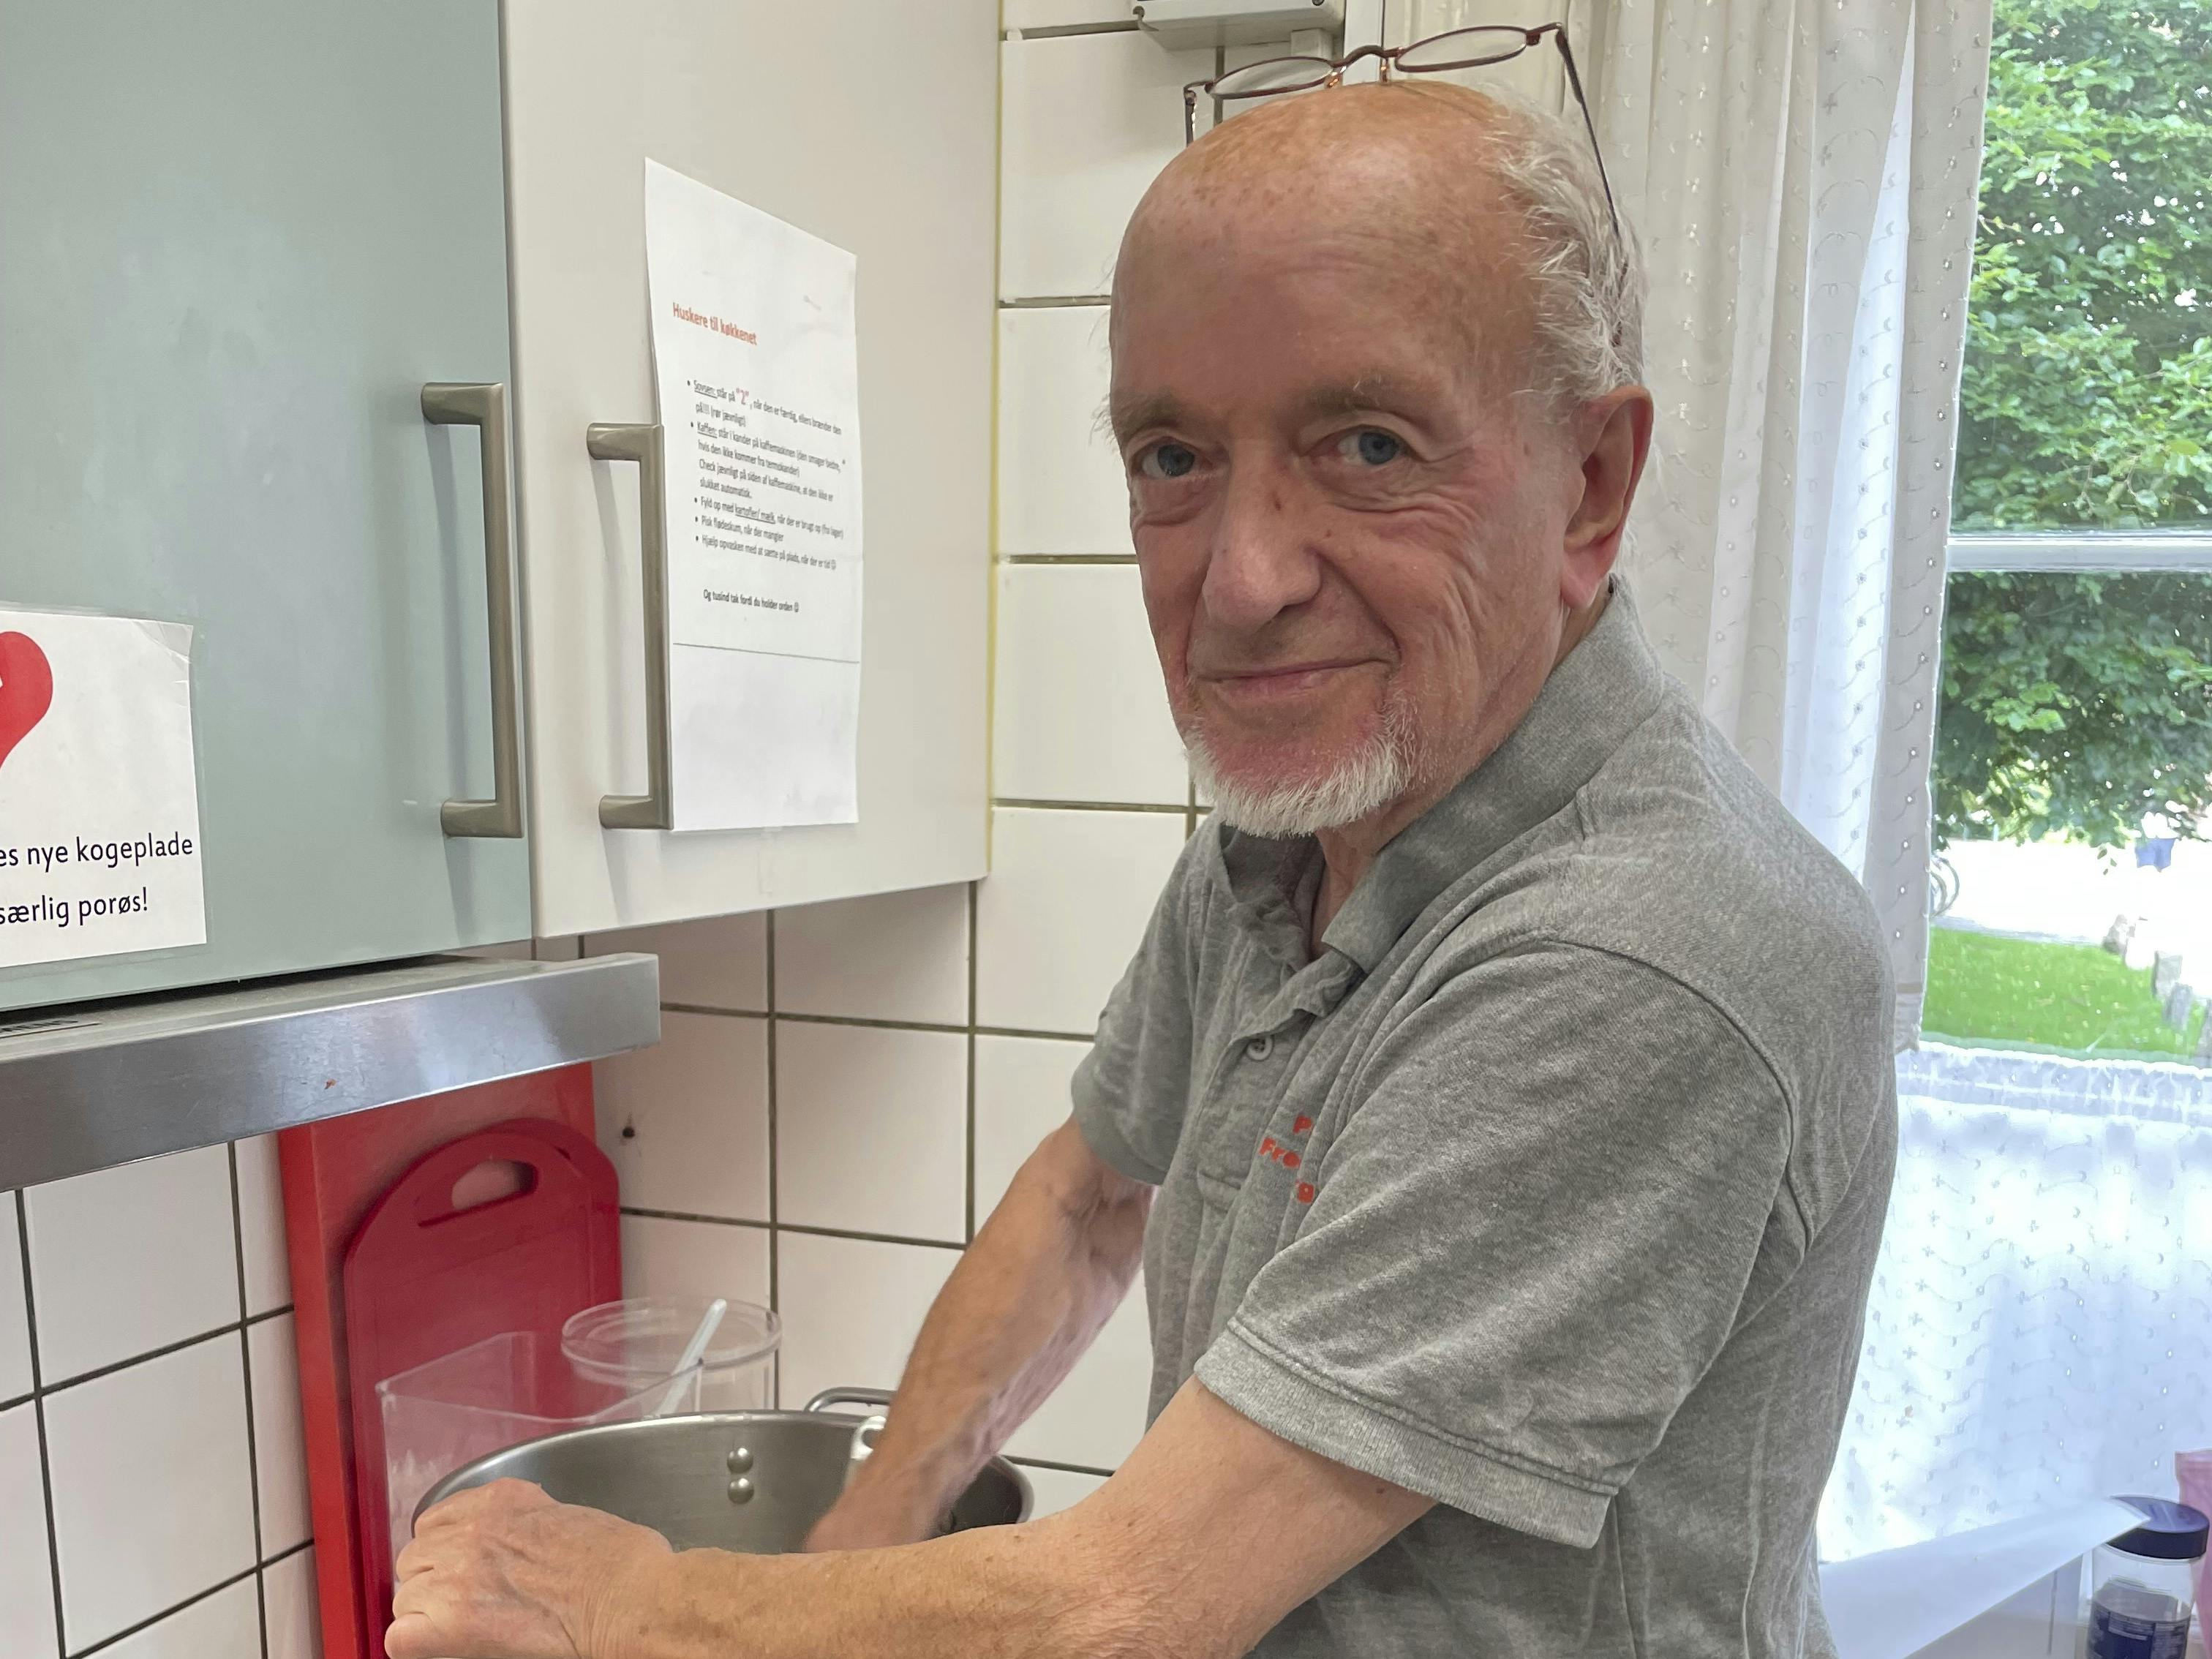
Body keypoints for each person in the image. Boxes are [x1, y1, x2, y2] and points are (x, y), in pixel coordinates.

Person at [386, 75, 1896, 1659]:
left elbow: (1126, 1604)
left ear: (1591, 483)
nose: (1240, 581)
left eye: (1367, 444)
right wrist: (859, 1530)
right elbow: (1089, 1200)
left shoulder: (1643, 954)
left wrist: (630, 1606)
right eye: (1173, 457)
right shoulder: (1299, 836)